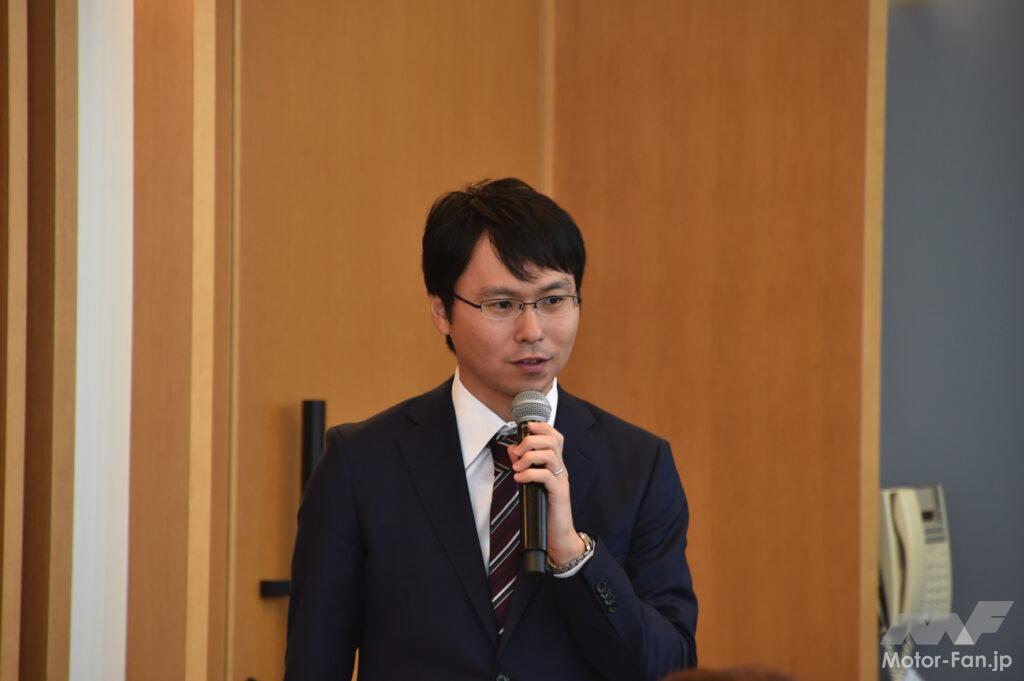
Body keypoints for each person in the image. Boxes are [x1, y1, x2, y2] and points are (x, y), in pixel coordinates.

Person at [285, 178, 698, 680]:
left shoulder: (639, 466)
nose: (533, 331)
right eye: (502, 305)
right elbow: (314, 664)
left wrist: (573, 554)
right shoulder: (362, 464)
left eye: (553, 300)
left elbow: (670, 666)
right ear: (442, 311)